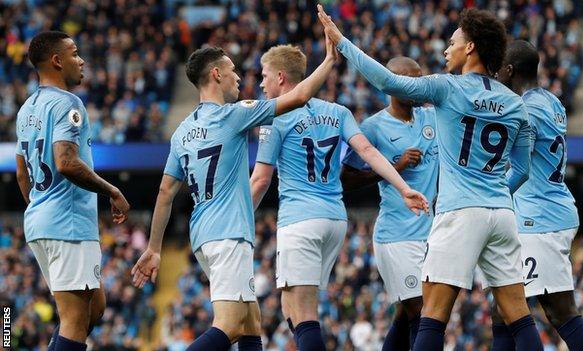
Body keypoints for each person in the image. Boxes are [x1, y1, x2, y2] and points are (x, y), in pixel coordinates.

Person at [318, 6, 543, 350]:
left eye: (453, 43)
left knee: (432, 314)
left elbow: (388, 81)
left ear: (470, 48)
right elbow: (523, 169)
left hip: (459, 214)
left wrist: (342, 42)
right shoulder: (515, 104)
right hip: (502, 213)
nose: (445, 50)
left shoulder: (446, 88)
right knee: (518, 315)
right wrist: (494, 193)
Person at [130, 31, 354, 351]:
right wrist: (331, 60)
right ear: (216, 74)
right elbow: (299, 97)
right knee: (230, 323)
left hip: (204, 235)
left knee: (250, 322)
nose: (239, 77)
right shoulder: (234, 115)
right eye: (233, 70)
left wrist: (154, 247)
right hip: (228, 235)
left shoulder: (182, 133)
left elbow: (166, 192)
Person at [249, 47, 429, 351]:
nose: (262, 84)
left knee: (304, 314)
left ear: (280, 77)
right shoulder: (337, 112)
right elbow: (369, 153)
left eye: (264, 77)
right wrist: (403, 187)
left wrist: (238, 220)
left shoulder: (274, 117)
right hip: (334, 219)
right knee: (290, 306)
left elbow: (261, 179)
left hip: (300, 219)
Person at [14, 31, 130, 351]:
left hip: (40, 222)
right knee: (75, 321)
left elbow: (23, 174)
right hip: (68, 224)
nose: (81, 60)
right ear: (56, 60)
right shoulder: (68, 103)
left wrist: (39, 206)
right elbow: (65, 161)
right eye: (74, 53)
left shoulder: (26, 110)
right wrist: (112, 191)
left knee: (95, 306)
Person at [490, 40, 583, 351]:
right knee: (504, 311)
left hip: (540, 219)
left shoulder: (525, 110)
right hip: (547, 211)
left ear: (509, 70)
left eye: (499, 69)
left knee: (556, 310)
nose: (496, 75)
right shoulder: (551, 101)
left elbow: (516, 164)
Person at [340, 56, 438, 351]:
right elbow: (347, 180)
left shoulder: (431, 117)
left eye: (420, 79)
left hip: (430, 232)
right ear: (391, 85)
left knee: (408, 314)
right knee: (421, 312)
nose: (418, 87)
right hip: (397, 235)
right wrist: (395, 167)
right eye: (411, 81)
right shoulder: (372, 128)